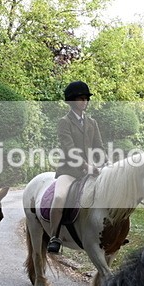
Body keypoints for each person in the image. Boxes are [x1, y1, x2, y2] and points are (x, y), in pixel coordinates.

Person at [47, 81, 104, 254]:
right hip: (70, 171)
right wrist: (86, 165)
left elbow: (99, 147)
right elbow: (69, 149)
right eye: (81, 98)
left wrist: (104, 163)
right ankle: (54, 236)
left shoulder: (92, 122)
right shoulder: (64, 122)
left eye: (86, 98)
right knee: (59, 198)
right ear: (72, 101)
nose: (85, 101)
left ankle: (110, 233)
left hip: (91, 171)